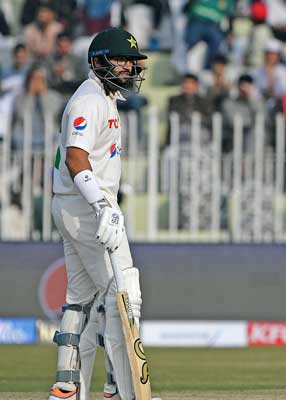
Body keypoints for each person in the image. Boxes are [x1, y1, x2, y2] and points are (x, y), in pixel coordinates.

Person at [48, 27, 149, 400]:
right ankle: (120, 391)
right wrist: (102, 205)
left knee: (82, 299)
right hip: (88, 208)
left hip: (77, 206)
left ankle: (68, 388)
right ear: (98, 61)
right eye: (120, 60)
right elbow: (76, 157)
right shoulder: (89, 100)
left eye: (130, 62)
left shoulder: (105, 97)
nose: (127, 67)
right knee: (123, 294)